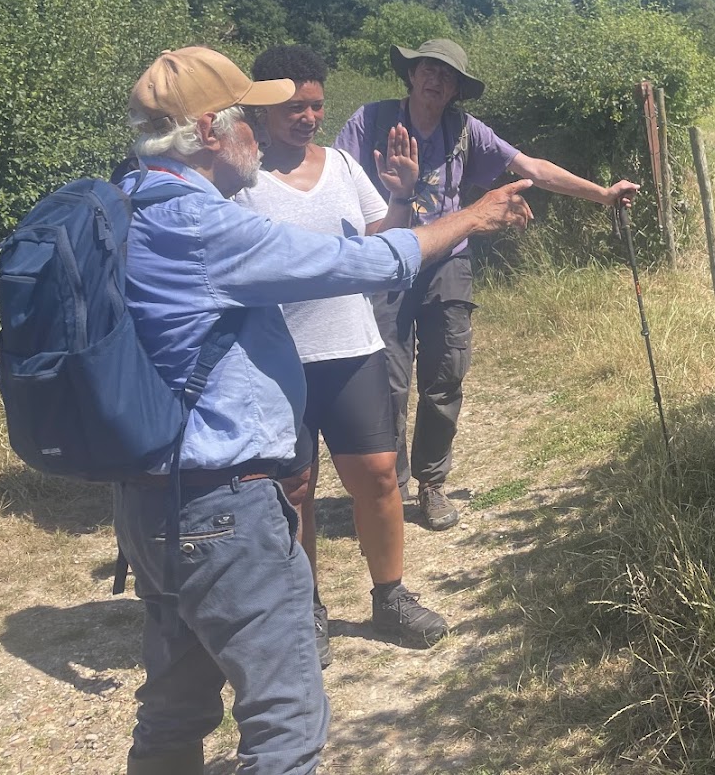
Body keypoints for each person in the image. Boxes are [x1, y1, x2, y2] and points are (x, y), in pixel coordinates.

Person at [114, 46, 532, 775]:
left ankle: (387, 595)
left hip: (151, 501)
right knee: (286, 726)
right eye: (250, 115)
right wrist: (472, 214)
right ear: (211, 130)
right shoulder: (203, 224)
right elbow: (362, 262)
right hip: (220, 506)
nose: (268, 128)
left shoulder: (126, 199)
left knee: (175, 709)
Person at [335, 38, 639, 531]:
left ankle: (432, 483)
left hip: (447, 261)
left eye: (447, 75)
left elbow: (533, 169)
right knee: (387, 380)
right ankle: (388, 486)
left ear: (456, 89)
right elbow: (335, 181)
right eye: (428, 69)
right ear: (411, 74)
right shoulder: (369, 122)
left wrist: (603, 194)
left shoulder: (464, 130)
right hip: (386, 263)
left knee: (446, 373)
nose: (436, 80)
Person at [233, 45, 445, 664]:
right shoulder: (238, 180)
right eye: (295, 107)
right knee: (294, 489)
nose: (308, 117)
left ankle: (391, 595)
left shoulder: (345, 166)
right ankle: (306, 607)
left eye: (317, 105)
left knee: (377, 475)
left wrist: (400, 198)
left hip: (353, 348)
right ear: (262, 107)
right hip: (277, 364)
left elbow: (380, 247)